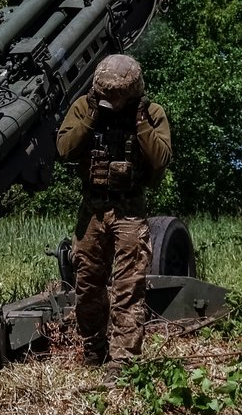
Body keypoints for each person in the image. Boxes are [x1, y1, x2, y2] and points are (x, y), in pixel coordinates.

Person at [55, 55, 172, 368]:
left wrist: (139, 121)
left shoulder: (151, 113)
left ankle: (122, 360)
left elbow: (161, 158)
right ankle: (94, 347)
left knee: (129, 286)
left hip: (130, 209)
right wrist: (93, 115)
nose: (112, 102)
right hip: (92, 208)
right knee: (87, 283)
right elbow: (64, 148)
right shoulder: (84, 107)